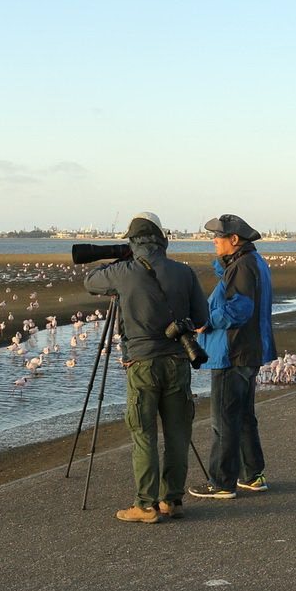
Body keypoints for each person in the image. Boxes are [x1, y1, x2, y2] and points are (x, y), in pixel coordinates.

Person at [83, 212, 208, 524]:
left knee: (144, 433)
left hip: (141, 363)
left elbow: (90, 282)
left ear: (132, 241)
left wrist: (117, 260)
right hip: (178, 362)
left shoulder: (124, 272)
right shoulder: (184, 272)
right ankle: (173, 500)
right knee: (178, 432)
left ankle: (145, 505)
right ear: (162, 239)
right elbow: (201, 318)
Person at [189, 214, 277, 500]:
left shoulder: (242, 267)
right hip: (249, 350)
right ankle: (252, 475)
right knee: (244, 416)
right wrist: (224, 264)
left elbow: (238, 310)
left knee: (224, 420)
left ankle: (221, 482)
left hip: (233, 352)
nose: (214, 241)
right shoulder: (253, 262)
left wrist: (205, 320)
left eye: (218, 237)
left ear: (234, 239)